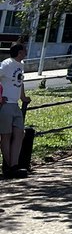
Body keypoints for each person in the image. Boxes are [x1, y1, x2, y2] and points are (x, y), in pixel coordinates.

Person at [0, 42, 30, 176]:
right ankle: (9, 167)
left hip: (15, 104)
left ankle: (14, 164)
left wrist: (23, 97)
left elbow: (20, 82)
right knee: (6, 136)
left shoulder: (20, 65)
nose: (26, 52)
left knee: (19, 133)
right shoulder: (6, 64)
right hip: (5, 104)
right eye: (24, 50)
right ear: (19, 52)